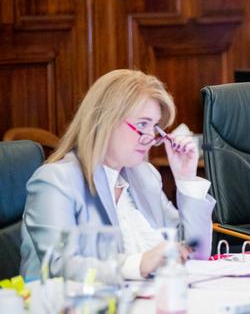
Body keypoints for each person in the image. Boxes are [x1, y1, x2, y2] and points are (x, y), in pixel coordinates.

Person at [20, 69, 215, 282]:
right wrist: (138, 264)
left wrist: (186, 179)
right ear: (106, 120)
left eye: (155, 127)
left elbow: (194, 252)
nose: (150, 137)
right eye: (142, 125)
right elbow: (59, 264)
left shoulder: (144, 176)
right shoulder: (56, 180)